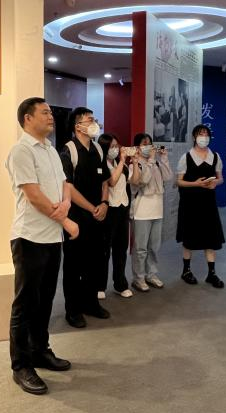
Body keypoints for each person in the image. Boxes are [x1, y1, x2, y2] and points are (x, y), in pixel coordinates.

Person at [5, 97, 78, 396]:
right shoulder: (21, 150)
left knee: (46, 299)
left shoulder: (50, 149)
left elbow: (64, 185)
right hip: (29, 237)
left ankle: (40, 350)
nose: (51, 117)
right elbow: (33, 195)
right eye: (45, 113)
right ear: (27, 118)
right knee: (25, 304)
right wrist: (66, 220)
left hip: (51, 237)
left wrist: (66, 204)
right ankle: (21, 365)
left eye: (50, 112)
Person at [59, 107, 111, 328]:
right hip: (77, 218)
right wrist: (92, 208)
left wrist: (105, 203)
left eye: (94, 119)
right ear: (77, 126)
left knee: (95, 262)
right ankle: (72, 310)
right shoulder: (68, 150)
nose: (94, 123)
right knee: (74, 265)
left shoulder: (98, 149)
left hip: (98, 216)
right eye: (90, 120)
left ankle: (91, 303)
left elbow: (105, 181)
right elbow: (68, 188)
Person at [176, 124, 226, 288]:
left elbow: (220, 178)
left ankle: (212, 273)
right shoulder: (186, 157)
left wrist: (216, 183)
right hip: (190, 203)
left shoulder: (215, 156)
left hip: (208, 203)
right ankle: (186, 271)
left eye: (206, 134)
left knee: (210, 238)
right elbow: (179, 181)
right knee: (189, 237)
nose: (204, 137)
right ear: (194, 137)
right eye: (200, 134)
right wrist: (195, 184)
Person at [130, 132, 172, 292]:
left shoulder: (156, 164)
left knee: (154, 247)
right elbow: (143, 180)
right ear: (137, 147)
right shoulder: (136, 164)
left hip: (157, 210)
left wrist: (164, 158)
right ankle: (138, 278)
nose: (148, 146)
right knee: (140, 249)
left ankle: (151, 274)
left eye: (149, 143)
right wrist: (151, 160)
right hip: (141, 212)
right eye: (144, 143)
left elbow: (168, 177)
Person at [97, 133, 133, 298]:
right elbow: (112, 181)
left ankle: (120, 284)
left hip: (123, 209)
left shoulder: (120, 164)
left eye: (117, 146)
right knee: (104, 250)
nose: (116, 149)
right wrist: (123, 160)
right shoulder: (101, 164)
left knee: (121, 249)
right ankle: (100, 286)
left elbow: (133, 181)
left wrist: (134, 162)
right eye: (112, 146)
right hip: (109, 210)